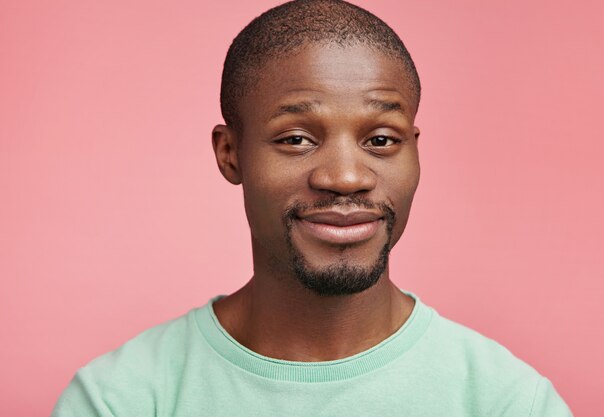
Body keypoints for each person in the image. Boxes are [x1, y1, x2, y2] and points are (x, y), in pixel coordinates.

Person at [52, 1, 572, 415]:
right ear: (230, 154)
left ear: (415, 149)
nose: (345, 176)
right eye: (297, 139)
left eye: (382, 140)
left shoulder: (507, 402)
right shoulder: (120, 401)